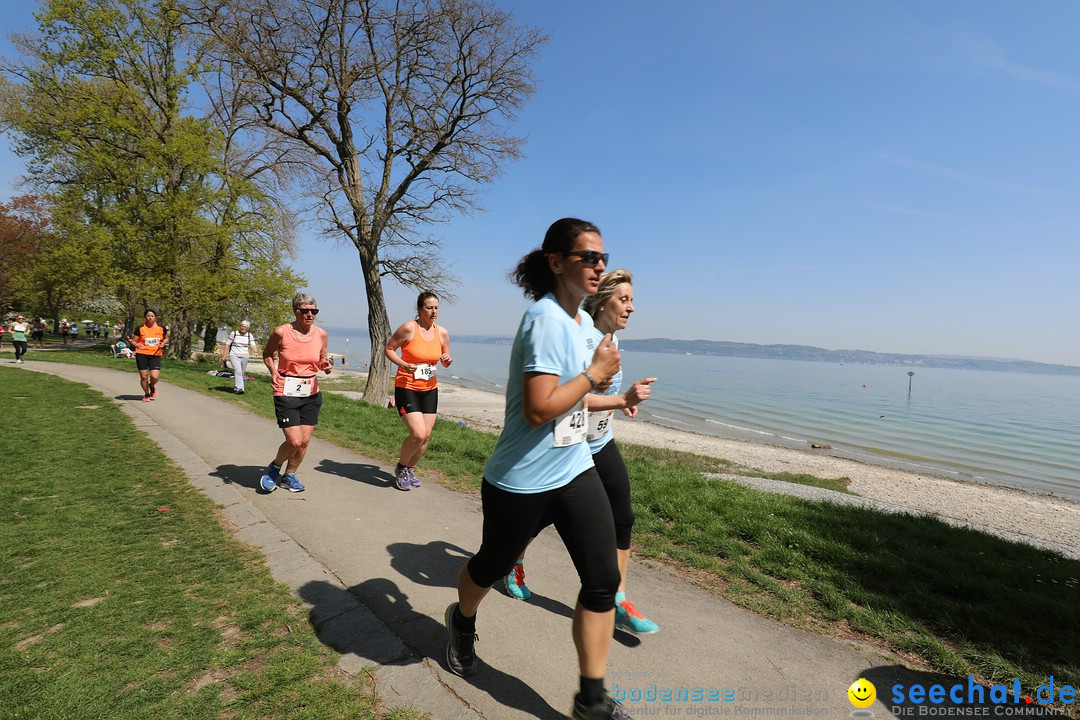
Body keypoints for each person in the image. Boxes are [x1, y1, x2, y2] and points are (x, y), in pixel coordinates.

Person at [445, 218, 628, 720]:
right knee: (491, 566)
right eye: (587, 257)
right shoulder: (543, 320)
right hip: (520, 478)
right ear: (555, 262)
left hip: (573, 467)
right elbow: (539, 408)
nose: (598, 266)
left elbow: (578, 399)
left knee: (602, 580)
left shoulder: (585, 326)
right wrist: (595, 374)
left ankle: (591, 699)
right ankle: (461, 621)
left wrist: (614, 395)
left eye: (602, 258)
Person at [504, 269, 660, 635]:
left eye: (632, 301)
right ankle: (511, 560)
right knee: (542, 517)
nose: (631, 308)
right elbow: (571, 394)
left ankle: (617, 601)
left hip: (599, 441)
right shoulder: (582, 334)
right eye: (624, 300)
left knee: (623, 517)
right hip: (569, 446)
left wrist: (620, 403)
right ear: (603, 299)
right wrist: (620, 399)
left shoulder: (611, 339)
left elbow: (597, 398)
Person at [258, 294, 333, 494]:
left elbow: (321, 359)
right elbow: (267, 354)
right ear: (295, 311)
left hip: (310, 391)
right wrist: (273, 372)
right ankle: (274, 467)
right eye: (305, 311)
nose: (310, 315)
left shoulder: (321, 334)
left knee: (305, 441)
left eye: (313, 311)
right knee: (294, 441)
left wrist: (325, 365)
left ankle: (289, 475)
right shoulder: (282, 332)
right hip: (286, 389)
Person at [384, 291, 453, 491]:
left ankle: (410, 468)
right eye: (429, 308)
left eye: (436, 308)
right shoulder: (408, 328)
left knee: (427, 436)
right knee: (418, 434)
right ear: (419, 309)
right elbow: (388, 349)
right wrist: (404, 364)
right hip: (406, 386)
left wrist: (447, 361)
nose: (433, 312)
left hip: (430, 388)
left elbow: (445, 359)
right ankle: (401, 467)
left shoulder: (442, 333)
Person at [132, 309, 168, 402]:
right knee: (144, 376)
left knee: (154, 377)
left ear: (155, 317)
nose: (150, 318)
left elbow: (166, 338)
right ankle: (147, 394)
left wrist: (163, 343)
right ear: (145, 317)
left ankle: (152, 386)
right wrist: (137, 345)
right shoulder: (140, 328)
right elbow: (133, 341)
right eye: (148, 316)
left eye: (152, 316)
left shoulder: (161, 328)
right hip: (142, 354)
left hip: (155, 354)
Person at [221, 320, 258, 394]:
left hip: (245, 356)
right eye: (242, 326)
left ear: (248, 328)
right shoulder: (234, 334)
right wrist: (224, 356)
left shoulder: (249, 335)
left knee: (241, 373)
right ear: (240, 326)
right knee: (238, 371)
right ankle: (238, 387)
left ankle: (241, 389)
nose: (243, 328)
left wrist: (255, 352)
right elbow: (227, 344)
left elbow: (253, 344)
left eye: (245, 327)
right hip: (234, 355)